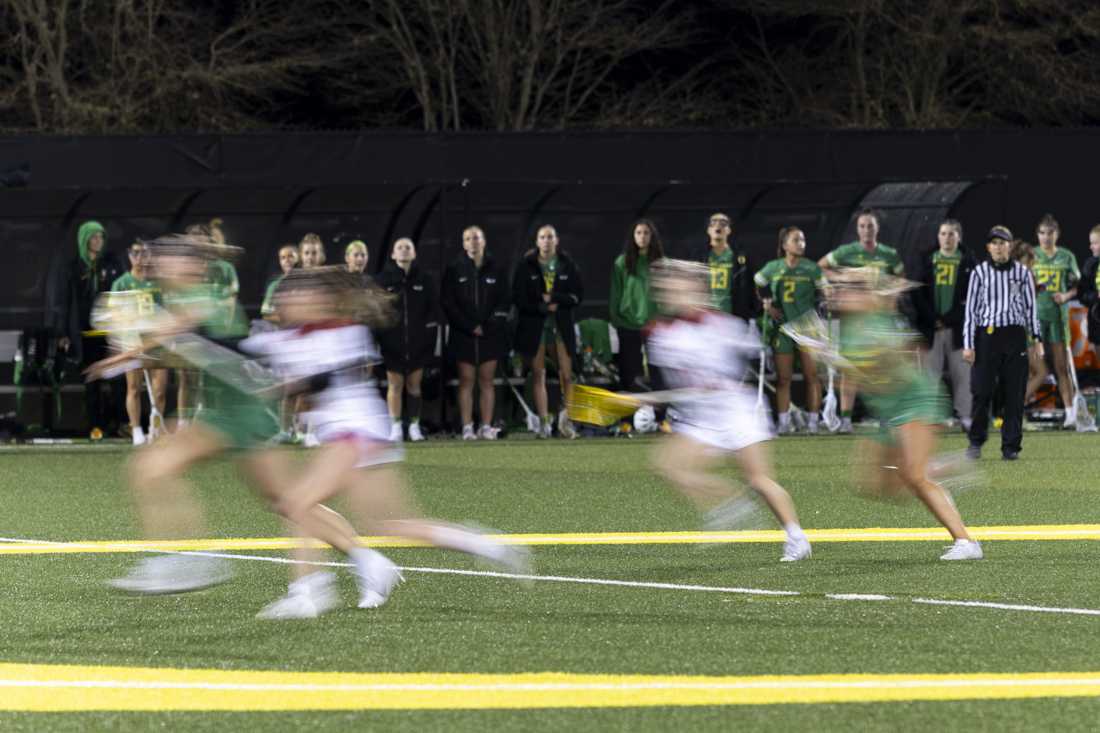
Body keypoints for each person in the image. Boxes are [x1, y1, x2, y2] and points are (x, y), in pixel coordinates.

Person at [241, 267, 529, 619]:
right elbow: (242, 350)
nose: (287, 302)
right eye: (285, 297)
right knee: (390, 524)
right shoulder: (286, 338)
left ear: (320, 300)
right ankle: (484, 545)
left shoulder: (343, 329)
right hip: (355, 434)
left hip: (356, 432)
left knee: (297, 502)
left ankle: (310, 592)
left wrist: (279, 387)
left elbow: (322, 379)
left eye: (298, 295)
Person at [646, 259, 811, 562]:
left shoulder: (721, 325)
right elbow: (684, 387)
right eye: (666, 288)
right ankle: (733, 507)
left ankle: (796, 537)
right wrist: (647, 399)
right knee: (669, 467)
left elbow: (732, 368)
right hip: (701, 416)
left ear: (696, 290)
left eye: (677, 286)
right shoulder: (662, 334)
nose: (670, 292)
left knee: (760, 480)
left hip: (736, 410)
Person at [827, 267, 982, 560]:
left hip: (915, 401)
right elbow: (855, 378)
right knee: (875, 485)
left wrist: (844, 362)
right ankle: (940, 467)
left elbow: (892, 371)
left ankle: (967, 543)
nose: (839, 294)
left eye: (848, 289)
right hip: (889, 410)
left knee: (914, 477)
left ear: (866, 296)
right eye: (838, 287)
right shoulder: (848, 330)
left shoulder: (880, 324)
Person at [819, 208, 905, 433]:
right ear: (857, 229)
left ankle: (886, 417)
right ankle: (846, 419)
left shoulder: (889, 254)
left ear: (877, 228)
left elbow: (900, 279)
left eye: (870, 226)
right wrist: (839, 279)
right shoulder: (846, 252)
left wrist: (891, 295)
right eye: (862, 226)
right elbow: (821, 267)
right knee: (851, 370)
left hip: (880, 319)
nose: (867, 230)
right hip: (855, 319)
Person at [964, 226, 1042, 461]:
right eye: (994, 243)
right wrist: (969, 344)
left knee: (1015, 394)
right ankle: (976, 441)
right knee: (982, 391)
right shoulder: (979, 273)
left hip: (1015, 336)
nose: (999, 247)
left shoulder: (1022, 273)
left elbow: (1031, 308)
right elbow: (971, 311)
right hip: (987, 336)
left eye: (1003, 242)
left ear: (1010, 245)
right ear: (988, 247)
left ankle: (1011, 447)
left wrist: (1037, 339)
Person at [47, 219, 124, 439]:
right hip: (84, 334)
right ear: (84, 239)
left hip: (110, 333)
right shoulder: (72, 267)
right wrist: (62, 333)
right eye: (94, 237)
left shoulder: (111, 263)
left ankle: (122, 423)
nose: (99, 241)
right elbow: (62, 302)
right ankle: (96, 426)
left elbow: (121, 294)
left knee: (118, 379)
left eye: (101, 237)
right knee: (92, 382)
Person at [513, 225, 584, 439]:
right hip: (536, 327)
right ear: (537, 241)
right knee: (538, 374)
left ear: (557, 240)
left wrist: (556, 301)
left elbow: (577, 296)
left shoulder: (567, 264)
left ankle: (566, 420)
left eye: (550, 237)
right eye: (542, 237)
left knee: (567, 375)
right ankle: (544, 422)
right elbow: (519, 298)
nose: (546, 241)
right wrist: (541, 307)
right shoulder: (526, 266)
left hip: (561, 326)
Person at [440, 226, 511, 440]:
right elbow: (448, 303)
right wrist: (470, 326)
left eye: (477, 238)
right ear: (463, 244)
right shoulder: (454, 269)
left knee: (487, 380)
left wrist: (488, 325)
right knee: (466, 380)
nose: (473, 242)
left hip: (490, 334)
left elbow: (505, 301)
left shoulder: (497, 268)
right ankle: (467, 427)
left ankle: (486, 427)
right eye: (468, 239)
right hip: (464, 334)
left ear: (484, 241)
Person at [753, 226, 826, 434]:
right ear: (785, 245)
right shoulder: (773, 267)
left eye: (803, 240)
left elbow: (826, 292)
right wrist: (767, 304)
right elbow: (757, 283)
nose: (801, 244)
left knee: (812, 375)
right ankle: (783, 423)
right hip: (783, 327)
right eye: (796, 240)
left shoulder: (812, 268)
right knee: (783, 378)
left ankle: (813, 422)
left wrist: (822, 305)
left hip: (808, 328)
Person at [914, 220, 977, 432]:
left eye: (951, 234)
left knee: (963, 374)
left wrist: (949, 318)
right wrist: (933, 318)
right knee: (930, 374)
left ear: (959, 237)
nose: (947, 238)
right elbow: (918, 293)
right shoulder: (927, 260)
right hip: (932, 327)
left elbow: (972, 297)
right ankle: (930, 417)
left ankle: (966, 416)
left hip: (958, 328)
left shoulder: (969, 262)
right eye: (943, 233)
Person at [377, 238, 439, 442]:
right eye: (399, 248)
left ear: (414, 254)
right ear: (393, 254)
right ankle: (395, 427)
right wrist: (381, 338)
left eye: (408, 247)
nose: (404, 250)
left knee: (414, 386)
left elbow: (432, 313)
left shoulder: (425, 280)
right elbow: (378, 313)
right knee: (395, 386)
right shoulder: (383, 280)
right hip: (392, 343)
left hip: (417, 343)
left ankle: (414, 426)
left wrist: (428, 340)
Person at [109, 239, 168, 445]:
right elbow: (114, 314)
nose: (140, 257)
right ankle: (135, 429)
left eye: (144, 253)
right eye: (136, 253)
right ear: (129, 255)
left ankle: (155, 428)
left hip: (154, 342)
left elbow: (165, 313)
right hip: (131, 341)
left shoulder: (156, 283)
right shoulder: (122, 283)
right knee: (134, 387)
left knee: (160, 389)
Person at [1027, 214, 1081, 428]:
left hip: (1057, 318)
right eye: (1042, 233)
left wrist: (1066, 296)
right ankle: (1015, 412)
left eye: (1050, 233)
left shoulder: (1067, 256)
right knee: (1034, 369)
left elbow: (1079, 285)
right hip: (1034, 318)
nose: (1046, 237)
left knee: (1061, 366)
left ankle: (1070, 414)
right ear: (1037, 235)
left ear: (1057, 234)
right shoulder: (1031, 254)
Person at [609, 219, 663, 392]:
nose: (642, 236)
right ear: (633, 236)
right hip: (628, 323)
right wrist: (617, 320)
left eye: (646, 233)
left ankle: (661, 416)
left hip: (654, 325)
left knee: (658, 371)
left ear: (652, 236)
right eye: (638, 233)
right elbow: (615, 293)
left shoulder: (661, 263)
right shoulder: (622, 262)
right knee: (630, 372)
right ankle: (630, 417)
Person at [702, 212, 756, 320]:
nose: (718, 225)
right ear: (708, 230)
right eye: (714, 222)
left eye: (723, 223)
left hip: (732, 317)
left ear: (729, 230)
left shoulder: (741, 257)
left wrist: (750, 314)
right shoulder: (699, 256)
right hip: (706, 318)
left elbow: (750, 287)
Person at [261, 244, 300, 322]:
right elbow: (266, 313)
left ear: (298, 258)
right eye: (283, 258)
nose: (287, 260)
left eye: (291, 256)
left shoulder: (306, 281)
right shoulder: (274, 285)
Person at [1080, 225, 1100, 350]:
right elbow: (1081, 294)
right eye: (1091, 243)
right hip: (1097, 323)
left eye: (1095, 243)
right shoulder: (1089, 265)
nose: (1091, 246)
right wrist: (1096, 296)